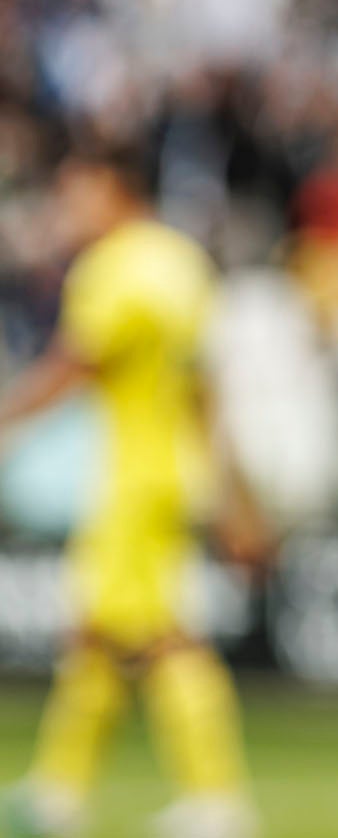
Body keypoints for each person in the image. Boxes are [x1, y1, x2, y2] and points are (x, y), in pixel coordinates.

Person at [0, 147, 261, 838]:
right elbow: (205, 386)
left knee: (163, 637)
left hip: (131, 477)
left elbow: (78, 362)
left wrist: (5, 417)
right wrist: (227, 482)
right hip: (171, 470)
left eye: (76, 194)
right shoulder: (182, 263)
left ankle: (216, 801)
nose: (66, 213)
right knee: (97, 633)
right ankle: (58, 793)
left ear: (114, 190)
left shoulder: (114, 267)